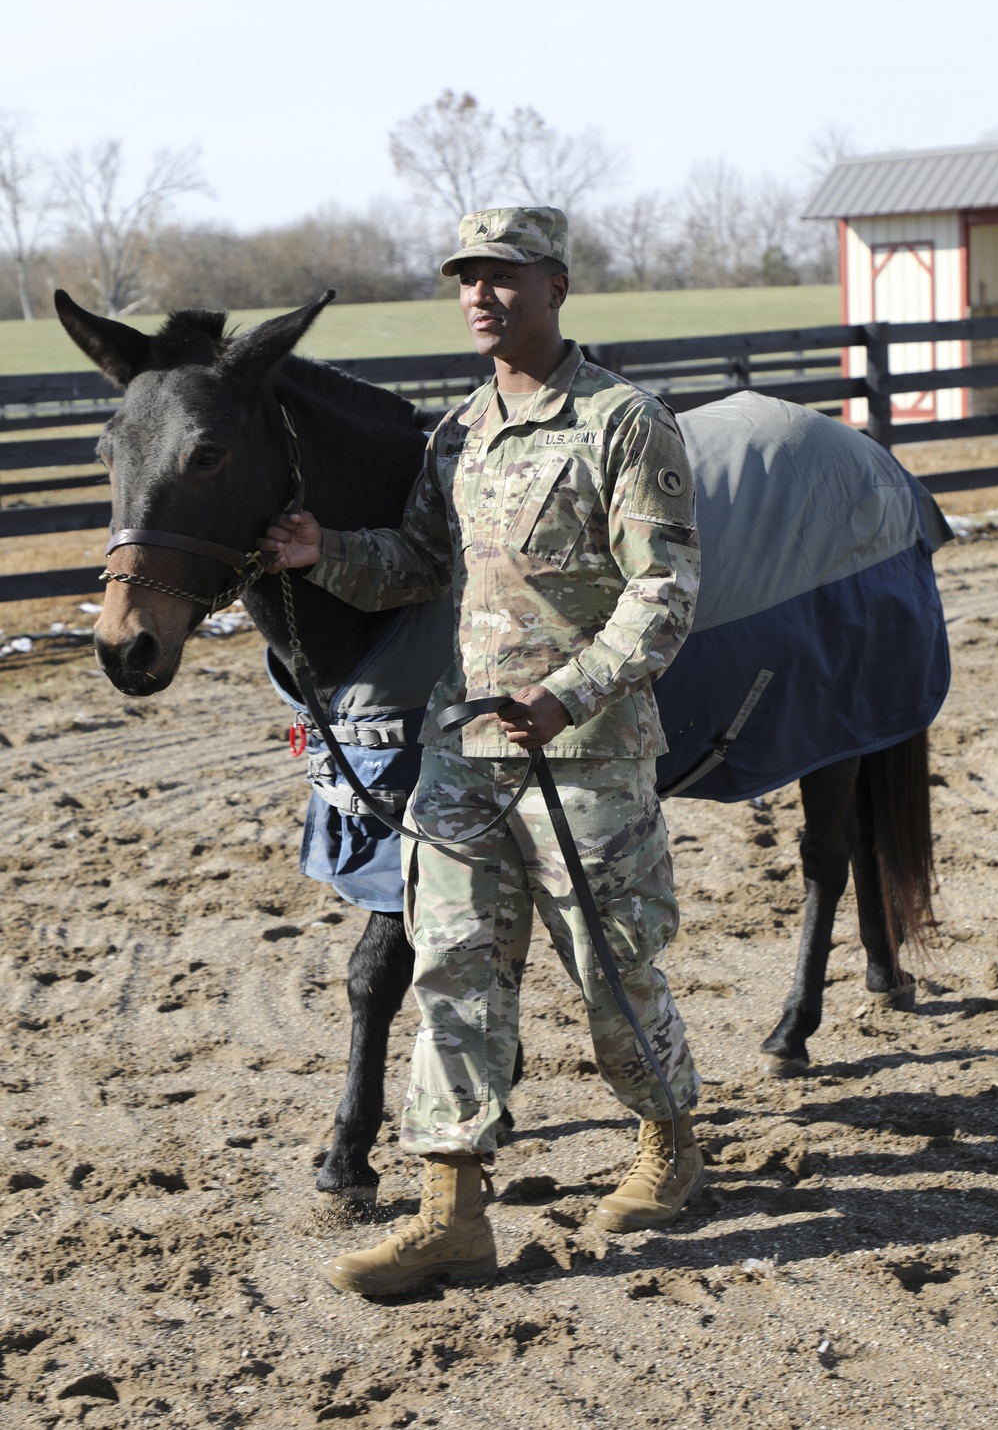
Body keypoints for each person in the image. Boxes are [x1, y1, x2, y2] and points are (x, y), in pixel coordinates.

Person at [261, 206, 704, 1297]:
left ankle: (668, 1141)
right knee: (450, 969)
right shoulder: (455, 432)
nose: (479, 294)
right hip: (460, 756)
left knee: (609, 963)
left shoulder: (623, 423)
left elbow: (666, 592)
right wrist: (325, 554)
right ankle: (450, 1208)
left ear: (554, 285)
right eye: (466, 277)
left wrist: (567, 695)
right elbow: (417, 565)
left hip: (586, 756)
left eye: (503, 276)